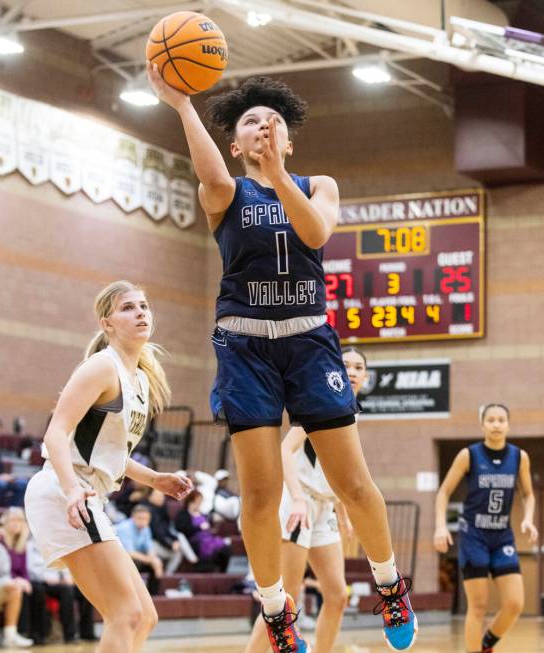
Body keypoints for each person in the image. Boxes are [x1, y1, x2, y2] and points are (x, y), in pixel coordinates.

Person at [147, 68, 417, 652]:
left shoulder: (319, 183)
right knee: (262, 494)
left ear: (288, 140)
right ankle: (274, 609)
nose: (262, 128)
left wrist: (277, 177)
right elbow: (209, 171)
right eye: (250, 122)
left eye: (273, 123)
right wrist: (181, 104)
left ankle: (390, 584)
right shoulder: (223, 193)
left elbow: (316, 234)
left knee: (353, 482)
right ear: (235, 143)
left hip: (308, 339)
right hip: (244, 345)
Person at [24, 280, 192, 653]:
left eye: (144, 306)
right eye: (128, 308)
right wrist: (71, 490)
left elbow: (111, 452)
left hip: (87, 494)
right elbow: (55, 435)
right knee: (126, 614)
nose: (141, 313)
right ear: (107, 323)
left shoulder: (141, 381)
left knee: (144, 617)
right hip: (62, 490)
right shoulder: (101, 367)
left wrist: (154, 480)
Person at [244, 348, 367, 653]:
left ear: (365, 376)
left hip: (323, 506)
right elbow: (285, 450)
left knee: (338, 595)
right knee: (286, 601)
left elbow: (334, 469)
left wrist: (342, 511)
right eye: (346, 365)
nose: (351, 371)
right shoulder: (321, 402)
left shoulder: (351, 409)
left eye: (358, 367)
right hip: (296, 501)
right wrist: (298, 499)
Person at [434, 403, 538, 653]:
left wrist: (528, 518)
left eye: (501, 419)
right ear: (482, 424)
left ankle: (487, 643)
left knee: (515, 604)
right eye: (491, 420)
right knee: (478, 607)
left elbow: (528, 494)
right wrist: (440, 526)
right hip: (474, 537)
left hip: (503, 538)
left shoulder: (519, 457)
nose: (496, 424)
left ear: (508, 424)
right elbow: (444, 492)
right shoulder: (468, 455)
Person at [174, 489, 232, 572]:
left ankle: (222, 571)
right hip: (195, 541)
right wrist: (199, 527)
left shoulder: (202, 513)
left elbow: (209, 524)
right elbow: (182, 529)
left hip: (208, 538)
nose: (199, 503)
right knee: (212, 550)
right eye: (197, 501)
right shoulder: (183, 514)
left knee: (225, 548)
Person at [116, 504, 163, 595]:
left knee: (157, 564)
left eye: (146, 519)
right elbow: (129, 553)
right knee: (133, 563)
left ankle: (152, 597)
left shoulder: (146, 528)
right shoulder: (124, 528)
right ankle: (132, 595)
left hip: (135, 558)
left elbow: (149, 548)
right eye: (140, 518)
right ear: (133, 517)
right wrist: (150, 560)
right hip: (118, 560)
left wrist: (154, 560)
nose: (143, 521)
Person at [0, 539, 33, 647]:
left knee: (15, 590)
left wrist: (15, 582)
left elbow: (5, 575)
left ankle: (10, 636)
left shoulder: (1, 550)